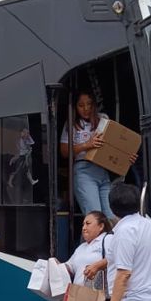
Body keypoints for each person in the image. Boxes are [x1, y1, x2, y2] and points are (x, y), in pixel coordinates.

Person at [61, 92, 114, 220]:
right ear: (75, 107)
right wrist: (87, 145)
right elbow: (64, 151)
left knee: (111, 218)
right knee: (95, 216)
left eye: (89, 104)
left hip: (103, 170)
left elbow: (114, 145)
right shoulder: (72, 123)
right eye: (81, 105)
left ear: (94, 105)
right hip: (84, 170)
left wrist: (126, 157)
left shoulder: (103, 119)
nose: (86, 108)